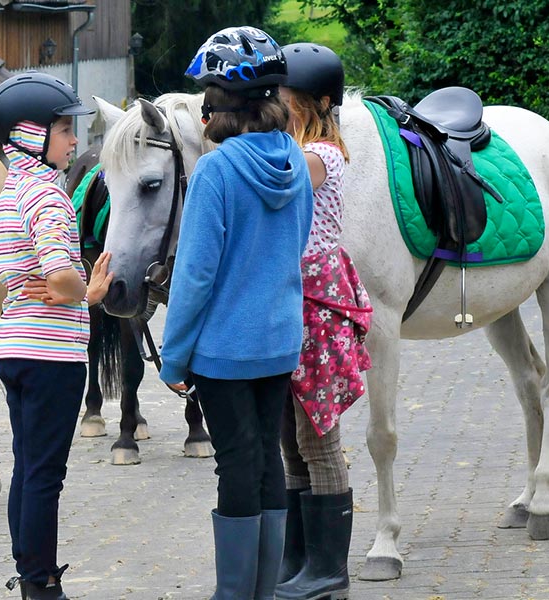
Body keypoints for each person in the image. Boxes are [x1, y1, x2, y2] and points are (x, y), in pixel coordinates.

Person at [161, 27, 313, 600]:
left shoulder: (216, 173)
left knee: (235, 466)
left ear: (216, 110)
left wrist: (173, 357)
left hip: (224, 350)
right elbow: (295, 247)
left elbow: (195, 276)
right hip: (278, 341)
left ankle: (234, 594)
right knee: (267, 460)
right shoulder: (295, 162)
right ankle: (263, 592)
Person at [0, 71, 114, 600]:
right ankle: (40, 582)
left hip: (15, 346)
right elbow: (60, 273)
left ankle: (28, 569)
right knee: (45, 474)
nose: (74, 140)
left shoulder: (11, 188)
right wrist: (87, 293)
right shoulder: (47, 196)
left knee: (27, 465)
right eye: (64, 129)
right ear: (29, 133)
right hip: (51, 351)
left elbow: (14, 267)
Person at [275, 43, 372, 600]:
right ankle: (299, 558)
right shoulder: (300, 146)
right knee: (292, 441)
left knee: (318, 440)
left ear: (315, 104)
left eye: (282, 101)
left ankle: (329, 569)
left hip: (316, 303)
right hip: (295, 299)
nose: (276, 110)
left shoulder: (321, 157)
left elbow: (277, 184)